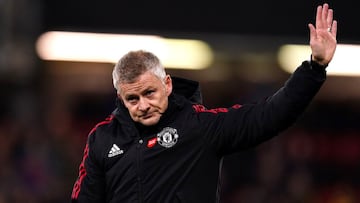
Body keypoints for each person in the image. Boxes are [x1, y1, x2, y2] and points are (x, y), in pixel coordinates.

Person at [71, 3, 337, 203]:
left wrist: (315, 67)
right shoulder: (103, 140)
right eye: (132, 98)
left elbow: (269, 115)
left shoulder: (200, 127)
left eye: (149, 93)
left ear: (168, 84)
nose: (142, 105)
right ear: (120, 98)